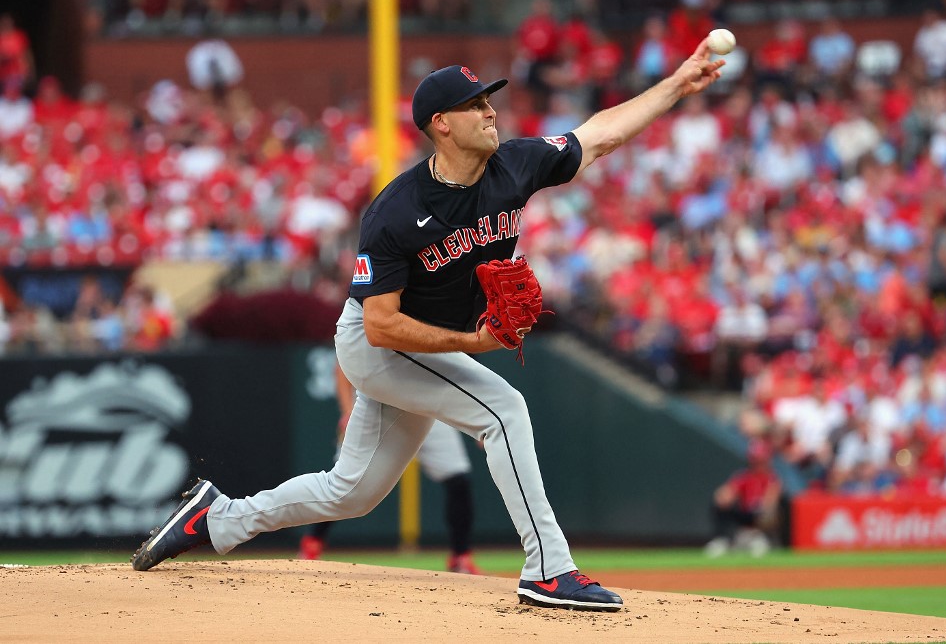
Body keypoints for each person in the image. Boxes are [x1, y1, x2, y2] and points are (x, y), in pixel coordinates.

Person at [131, 44, 725, 612]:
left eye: (489, 101)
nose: (491, 111)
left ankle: (216, 518)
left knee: (352, 492)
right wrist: (471, 344)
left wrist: (678, 82)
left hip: (418, 346)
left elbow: (602, 134)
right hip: (375, 341)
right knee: (504, 410)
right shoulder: (394, 211)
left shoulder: (515, 164)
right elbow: (382, 324)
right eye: (476, 105)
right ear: (441, 124)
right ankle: (548, 567)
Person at [297, 365, 481, 575]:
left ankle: (461, 556)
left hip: (428, 404)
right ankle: (312, 543)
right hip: (379, 404)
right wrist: (348, 411)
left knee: (458, 478)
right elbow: (342, 365)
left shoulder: (440, 332)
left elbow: (456, 369)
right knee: (344, 483)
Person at [704, 439, 781, 558]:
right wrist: (724, 496)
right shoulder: (744, 476)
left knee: (767, 513)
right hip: (744, 513)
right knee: (719, 505)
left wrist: (762, 507)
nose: (757, 463)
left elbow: (770, 501)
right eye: (755, 459)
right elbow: (725, 493)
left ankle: (760, 539)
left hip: (760, 515)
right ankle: (722, 540)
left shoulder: (772, 479)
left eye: (760, 459)